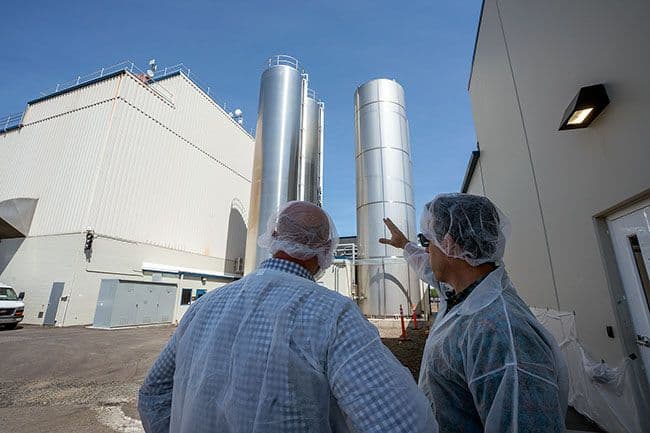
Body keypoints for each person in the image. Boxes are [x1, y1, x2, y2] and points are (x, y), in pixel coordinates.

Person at [139, 201, 438, 433]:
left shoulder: (205, 306)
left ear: (273, 236)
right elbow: (404, 424)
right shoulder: (332, 315)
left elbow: (153, 393)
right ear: (326, 250)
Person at [380, 193, 568, 433]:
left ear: (448, 244)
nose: (426, 252)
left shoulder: (501, 335)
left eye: (427, 242)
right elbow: (428, 267)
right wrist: (405, 244)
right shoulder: (464, 293)